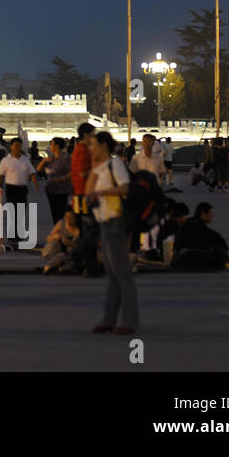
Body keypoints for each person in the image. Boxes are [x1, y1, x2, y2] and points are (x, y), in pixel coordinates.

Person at [85, 131, 138, 335]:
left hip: (116, 220)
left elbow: (124, 187)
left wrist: (101, 192)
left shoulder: (115, 164)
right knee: (112, 273)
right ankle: (109, 319)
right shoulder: (100, 167)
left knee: (122, 273)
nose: (92, 149)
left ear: (104, 146)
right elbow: (89, 191)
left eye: (94, 145)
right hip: (104, 221)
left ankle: (129, 321)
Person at [0, 139, 37, 248]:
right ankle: (12, 235)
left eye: (19, 145)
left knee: (21, 211)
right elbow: (0, 175)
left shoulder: (25, 160)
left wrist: (35, 183)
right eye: (15, 145)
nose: (17, 148)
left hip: (22, 189)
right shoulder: (6, 160)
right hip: (10, 188)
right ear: (11, 147)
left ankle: (19, 234)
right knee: (12, 211)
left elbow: (32, 172)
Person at [172, 202, 229, 270]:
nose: (212, 216)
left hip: (179, 258)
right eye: (210, 213)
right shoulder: (201, 227)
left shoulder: (186, 223)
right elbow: (215, 238)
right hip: (192, 257)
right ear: (203, 214)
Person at [37, 137, 72, 223]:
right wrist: (43, 162)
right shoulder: (51, 159)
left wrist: (62, 178)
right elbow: (38, 170)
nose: (50, 146)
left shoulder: (65, 158)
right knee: (55, 215)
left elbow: (72, 171)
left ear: (57, 146)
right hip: (51, 190)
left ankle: (62, 233)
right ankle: (58, 232)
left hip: (61, 190)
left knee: (61, 214)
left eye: (51, 144)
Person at [40, 209, 82, 274]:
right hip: (60, 251)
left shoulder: (80, 228)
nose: (68, 219)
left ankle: (61, 268)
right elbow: (48, 238)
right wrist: (56, 236)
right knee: (56, 250)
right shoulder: (61, 223)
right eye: (66, 217)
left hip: (74, 253)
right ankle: (50, 266)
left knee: (64, 256)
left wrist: (70, 243)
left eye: (71, 217)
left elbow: (83, 247)